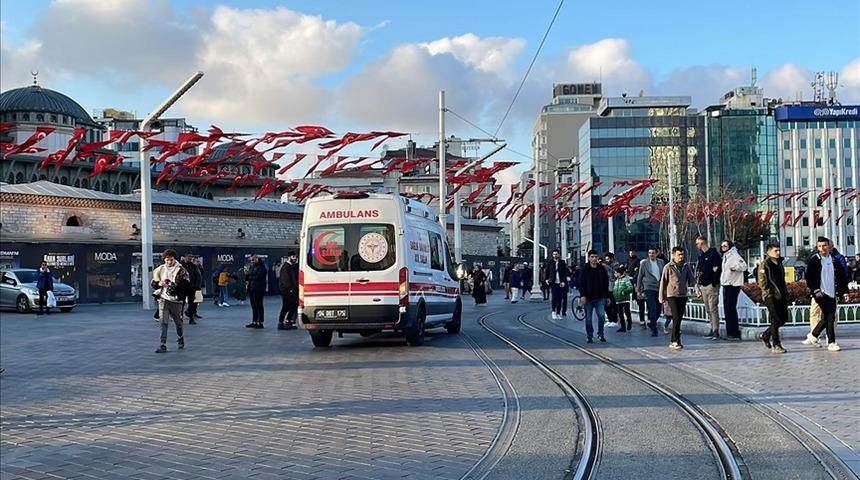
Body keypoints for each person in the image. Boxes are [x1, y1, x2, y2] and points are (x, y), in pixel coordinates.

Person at [804, 237, 849, 351]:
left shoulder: (835, 261)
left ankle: (813, 334)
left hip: (833, 293)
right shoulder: (815, 260)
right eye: (819, 246)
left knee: (828, 317)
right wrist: (815, 290)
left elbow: (842, 278)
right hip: (821, 294)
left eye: (824, 245)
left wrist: (844, 292)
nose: (822, 248)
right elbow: (810, 277)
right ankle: (831, 342)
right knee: (829, 317)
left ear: (830, 247)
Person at [152, 249, 191, 353]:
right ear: (164, 259)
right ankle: (162, 344)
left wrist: (176, 290)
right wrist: (159, 284)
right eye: (167, 260)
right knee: (163, 322)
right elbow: (154, 283)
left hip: (176, 301)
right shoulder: (160, 269)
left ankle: (180, 338)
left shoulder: (180, 270)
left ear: (174, 259)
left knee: (178, 322)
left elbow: (187, 285)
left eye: (171, 260)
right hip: (163, 298)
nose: (169, 262)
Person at [659, 247, 696, 350]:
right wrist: (661, 296)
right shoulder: (668, 267)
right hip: (672, 295)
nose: (681, 257)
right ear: (673, 255)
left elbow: (692, 279)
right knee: (675, 316)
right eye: (679, 254)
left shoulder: (686, 266)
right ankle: (675, 339)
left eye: (682, 254)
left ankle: (675, 339)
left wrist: (697, 289)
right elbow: (663, 282)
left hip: (682, 295)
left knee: (679, 318)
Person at [758, 243, 789, 354]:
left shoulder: (779, 263)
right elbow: (762, 282)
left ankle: (766, 334)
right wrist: (768, 294)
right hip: (771, 295)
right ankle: (776, 344)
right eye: (775, 250)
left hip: (781, 295)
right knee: (775, 319)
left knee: (783, 318)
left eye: (779, 250)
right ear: (769, 252)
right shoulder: (765, 264)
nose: (778, 252)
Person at [694, 236, 722, 340]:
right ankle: (712, 327)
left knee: (713, 308)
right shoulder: (701, 256)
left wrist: (714, 282)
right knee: (708, 309)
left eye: (698, 243)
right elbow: (699, 270)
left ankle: (716, 331)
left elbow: (717, 269)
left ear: (702, 243)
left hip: (711, 285)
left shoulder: (713, 254)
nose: (697, 246)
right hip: (703, 285)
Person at [578, 250, 609, 343]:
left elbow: (605, 283)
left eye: (595, 257)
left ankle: (601, 334)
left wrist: (607, 296)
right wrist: (582, 295)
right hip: (588, 298)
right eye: (592, 257)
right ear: (589, 258)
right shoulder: (585, 269)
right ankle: (589, 335)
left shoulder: (601, 269)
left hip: (600, 297)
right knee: (588, 318)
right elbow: (581, 283)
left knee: (601, 315)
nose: (594, 259)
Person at [719, 240, 747, 341]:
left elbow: (743, 266)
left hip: (733, 285)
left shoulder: (734, 255)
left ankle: (734, 333)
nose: (723, 248)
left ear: (729, 246)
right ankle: (729, 332)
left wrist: (734, 268)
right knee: (727, 309)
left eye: (725, 246)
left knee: (731, 309)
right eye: (722, 246)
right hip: (726, 284)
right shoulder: (726, 256)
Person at [637, 247, 666, 337]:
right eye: (649, 253)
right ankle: (654, 329)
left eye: (653, 253)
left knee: (658, 309)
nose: (651, 255)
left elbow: (664, 275)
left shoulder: (661, 262)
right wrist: (638, 289)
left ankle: (652, 322)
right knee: (652, 307)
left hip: (659, 287)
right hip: (648, 287)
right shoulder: (644, 263)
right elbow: (640, 276)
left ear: (656, 254)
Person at [277, 251, 300, 330]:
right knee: (291, 306)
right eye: (293, 257)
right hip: (287, 290)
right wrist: (291, 288)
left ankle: (283, 322)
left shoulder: (289, 266)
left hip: (287, 290)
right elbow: (286, 279)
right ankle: (287, 322)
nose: (295, 258)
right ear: (289, 257)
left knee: (287, 307)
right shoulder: (286, 267)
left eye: (296, 257)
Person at [545, 249, 569, 319]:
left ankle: (558, 312)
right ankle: (553, 311)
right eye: (554, 254)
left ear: (559, 255)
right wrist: (546, 279)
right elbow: (547, 271)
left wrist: (564, 282)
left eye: (556, 254)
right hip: (553, 283)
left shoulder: (562, 262)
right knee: (554, 297)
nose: (555, 255)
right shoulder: (550, 262)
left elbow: (565, 273)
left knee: (560, 298)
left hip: (560, 283)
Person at [246, 255, 268, 328]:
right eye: (251, 260)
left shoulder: (262, 267)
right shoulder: (252, 266)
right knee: (253, 305)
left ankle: (260, 322)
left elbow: (259, 277)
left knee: (259, 305)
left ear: (257, 259)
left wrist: (250, 277)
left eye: (253, 260)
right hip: (252, 288)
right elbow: (249, 275)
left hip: (259, 288)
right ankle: (254, 321)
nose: (252, 261)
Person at [612, 265, 635, 333]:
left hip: (625, 299)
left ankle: (629, 322)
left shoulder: (626, 280)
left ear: (620, 273)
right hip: (618, 300)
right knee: (620, 314)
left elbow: (630, 288)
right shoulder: (616, 281)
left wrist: (624, 291)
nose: (615, 274)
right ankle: (622, 326)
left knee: (627, 311)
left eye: (616, 273)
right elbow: (615, 289)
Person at [627, 251, 646, 329]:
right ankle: (642, 322)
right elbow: (634, 280)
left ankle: (650, 321)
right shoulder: (637, 273)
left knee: (651, 307)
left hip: (648, 290)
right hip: (640, 291)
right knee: (641, 307)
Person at [181, 254, 202, 324]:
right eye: (188, 256)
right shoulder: (180, 266)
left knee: (192, 303)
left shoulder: (193, 266)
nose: (190, 258)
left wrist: (197, 286)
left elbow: (198, 276)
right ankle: (180, 316)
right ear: (184, 257)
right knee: (182, 302)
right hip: (183, 287)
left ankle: (191, 317)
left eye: (191, 256)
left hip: (192, 287)